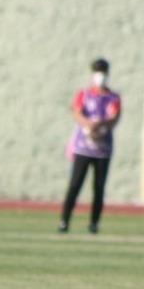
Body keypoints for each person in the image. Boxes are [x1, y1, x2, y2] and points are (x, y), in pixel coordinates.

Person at [59, 58, 121, 234]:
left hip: (102, 150)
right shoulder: (84, 94)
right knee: (75, 184)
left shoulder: (113, 97)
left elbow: (114, 118)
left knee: (99, 188)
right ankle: (64, 221)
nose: (99, 76)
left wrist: (100, 124)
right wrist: (89, 124)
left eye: (102, 72)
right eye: (97, 72)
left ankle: (94, 223)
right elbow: (77, 114)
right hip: (83, 147)